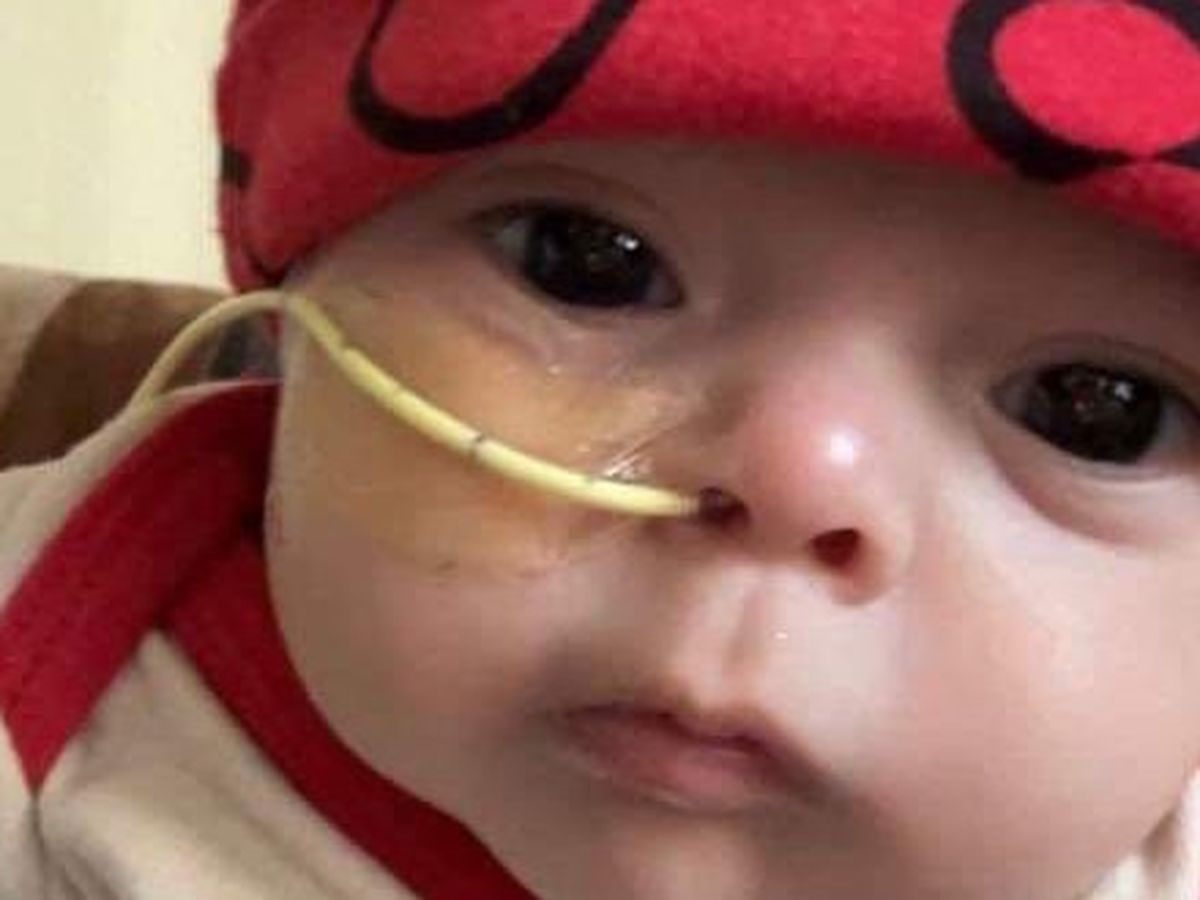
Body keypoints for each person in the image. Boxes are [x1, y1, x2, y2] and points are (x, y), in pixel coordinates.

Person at [3, 2, 1200, 898]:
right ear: (294, 304)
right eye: (588, 263)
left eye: (1095, 410)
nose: (793, 483)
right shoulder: (50, 677)